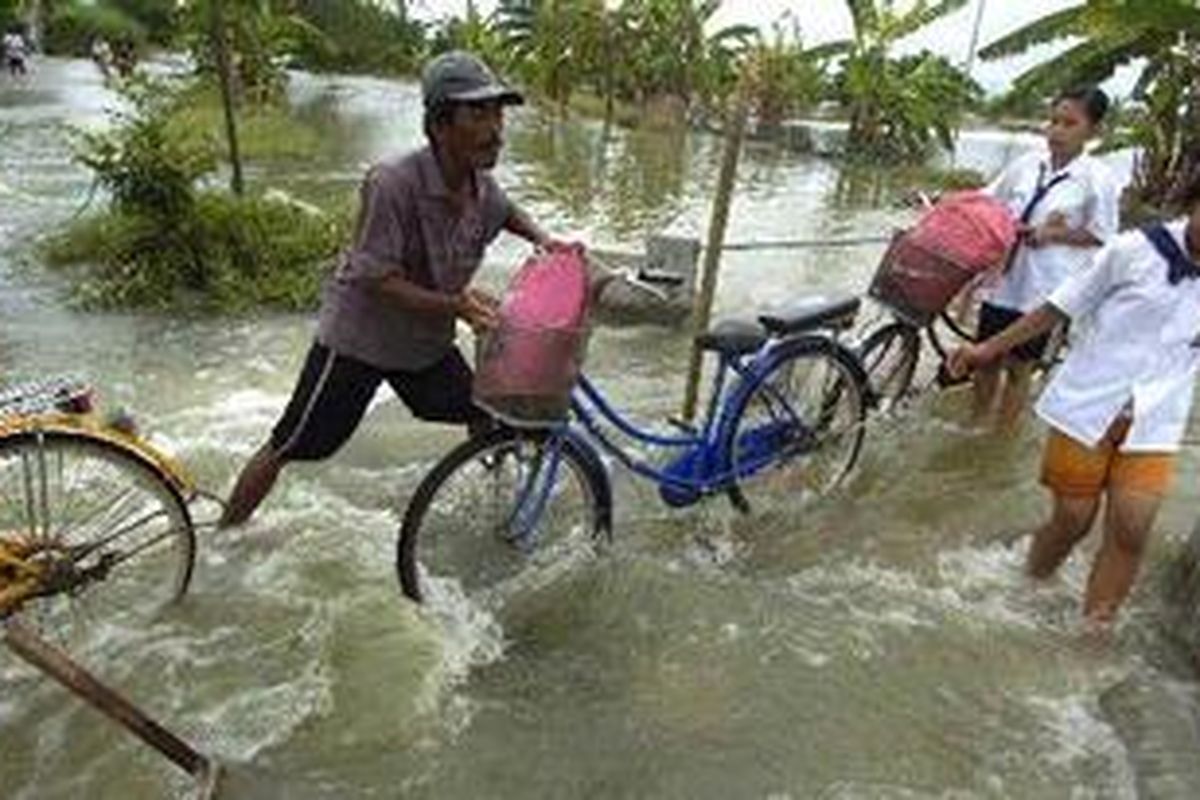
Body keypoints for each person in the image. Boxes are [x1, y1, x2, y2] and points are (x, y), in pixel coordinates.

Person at [220, 51, 562, 527]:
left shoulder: (480, 185)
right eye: (478, 114)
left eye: (498, 113)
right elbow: (376, 279)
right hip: (359, 344)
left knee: (486, 406)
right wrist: (458, 306)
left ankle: (491, 499)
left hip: (423, 345)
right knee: (294, 442)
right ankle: (226, 535)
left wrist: (545, 241)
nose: (495, 128)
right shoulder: (393, 184)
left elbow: (506, 213)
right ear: (441, 126)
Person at [948, 175, 1200, 627]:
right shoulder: (1132, 251)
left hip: (1155, 422)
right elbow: (1059, 306)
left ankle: (1092, 636)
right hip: (1087, 407)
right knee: (1073, 520)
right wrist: (987, 350)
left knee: (1132, 528)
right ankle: (1020, 587)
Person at [972, 87, 1119, 429]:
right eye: (1053, 121)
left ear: (1093, 131)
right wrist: (948, 201)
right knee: (986, 358)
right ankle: (975, 428)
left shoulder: (1098, 179)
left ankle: (1002, 437)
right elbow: (989, 198)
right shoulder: (1026, 164)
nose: (1056, 131)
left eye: (1069, 123)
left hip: (1044, 288)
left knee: (1019, 367)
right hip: (1003, 278)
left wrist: (1053, 234)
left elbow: (1102, 235)